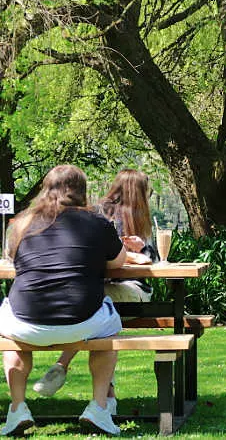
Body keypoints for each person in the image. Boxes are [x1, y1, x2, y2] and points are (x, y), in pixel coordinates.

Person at [0, 165, 125, 436]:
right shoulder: (97, 222)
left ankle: (17, 408)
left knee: (9, 333)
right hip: (82, 320)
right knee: (111, 327)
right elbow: (118, 261)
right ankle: (99, 407)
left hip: (26, 321)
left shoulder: (21, 223)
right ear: (83, 191)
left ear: (46, 189)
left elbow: (11, 257)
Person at [33, 169, 156, 401]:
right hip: (102, 293)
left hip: (127, 291)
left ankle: (63, 365)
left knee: (96, 304)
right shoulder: (102, 215)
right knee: (97, 309)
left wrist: (142, 249)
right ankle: (105, 399)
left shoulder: (110, 215)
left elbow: (154, 261)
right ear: (138, 191)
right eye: (146, 191)